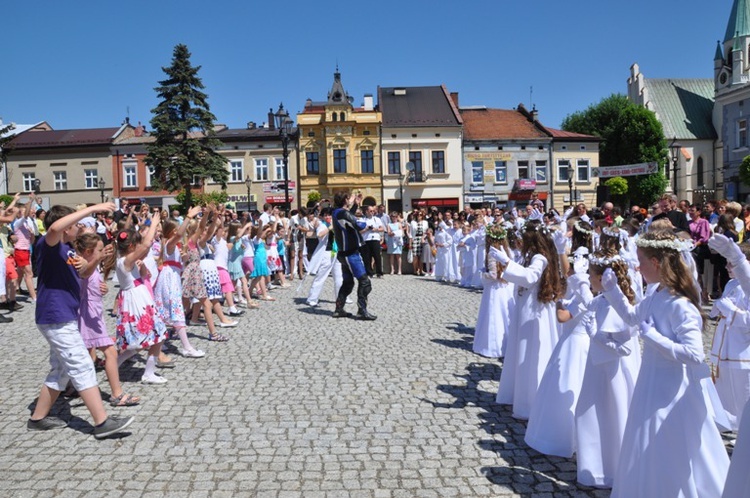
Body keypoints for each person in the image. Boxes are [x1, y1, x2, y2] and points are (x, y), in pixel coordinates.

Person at [603, 229, 729, 497]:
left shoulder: (680, 305)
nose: (638, 266)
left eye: (641, 261)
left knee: (668, 441)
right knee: (645, 438)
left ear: (657, 263)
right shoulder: (655, 294)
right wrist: (612, 291)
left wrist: (655, 338)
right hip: (651, 380)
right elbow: (632, 317)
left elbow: (694, 354)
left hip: (672, 389)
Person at [29, 201, 134, 439]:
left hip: (64, 315)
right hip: (55, 316)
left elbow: (83, 273)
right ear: (66, 227)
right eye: (76, 223)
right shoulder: (49, 245)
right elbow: (54, 228)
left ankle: (37, 418)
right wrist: (92, 208)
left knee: (61, 369)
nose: (79, 227)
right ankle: (102, 422)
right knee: (82, 365)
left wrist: (91, 263)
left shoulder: (66, 249)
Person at [490, 219, 565, 419]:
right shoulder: (532, 255)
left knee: (529, 352)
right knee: (520, 350)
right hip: (526, 308)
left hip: (534, 312)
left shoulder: (540, 257)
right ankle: (518, 394)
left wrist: (506, 262)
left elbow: (530, 277)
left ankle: (530, 401)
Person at [75, 232, 140, 407]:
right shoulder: (84, 262)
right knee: (110, 352)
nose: (102, 252)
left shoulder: (92, 263)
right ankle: (116, 394)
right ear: (88, 251)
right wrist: (98, 259)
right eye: (99, 249)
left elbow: (89, 280)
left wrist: (100, 287)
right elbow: (83, 275)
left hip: (93, 311)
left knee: (87, 354)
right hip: (88, 314)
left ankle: (72, 387)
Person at [331, 190, 376, 320]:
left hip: (344, 253)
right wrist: (366, 223)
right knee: (365, 282)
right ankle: (362, 310)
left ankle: (339, 309)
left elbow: (347, 218)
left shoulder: (337, 212)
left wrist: (356, 205)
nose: (352, 199)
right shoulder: (342, 213)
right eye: (350, 197)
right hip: (350, 254)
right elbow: (357, 224)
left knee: (348, 283)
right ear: (345, 199)